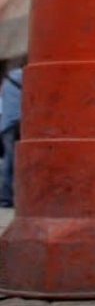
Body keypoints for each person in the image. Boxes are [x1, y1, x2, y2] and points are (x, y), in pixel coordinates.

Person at [0, 56, 24, 208]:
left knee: (9, 162)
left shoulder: (7, 81)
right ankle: (8, 196)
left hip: (6, 123)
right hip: (18, 122)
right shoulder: (24, 76)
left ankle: (5, 197)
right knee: (14, 162)